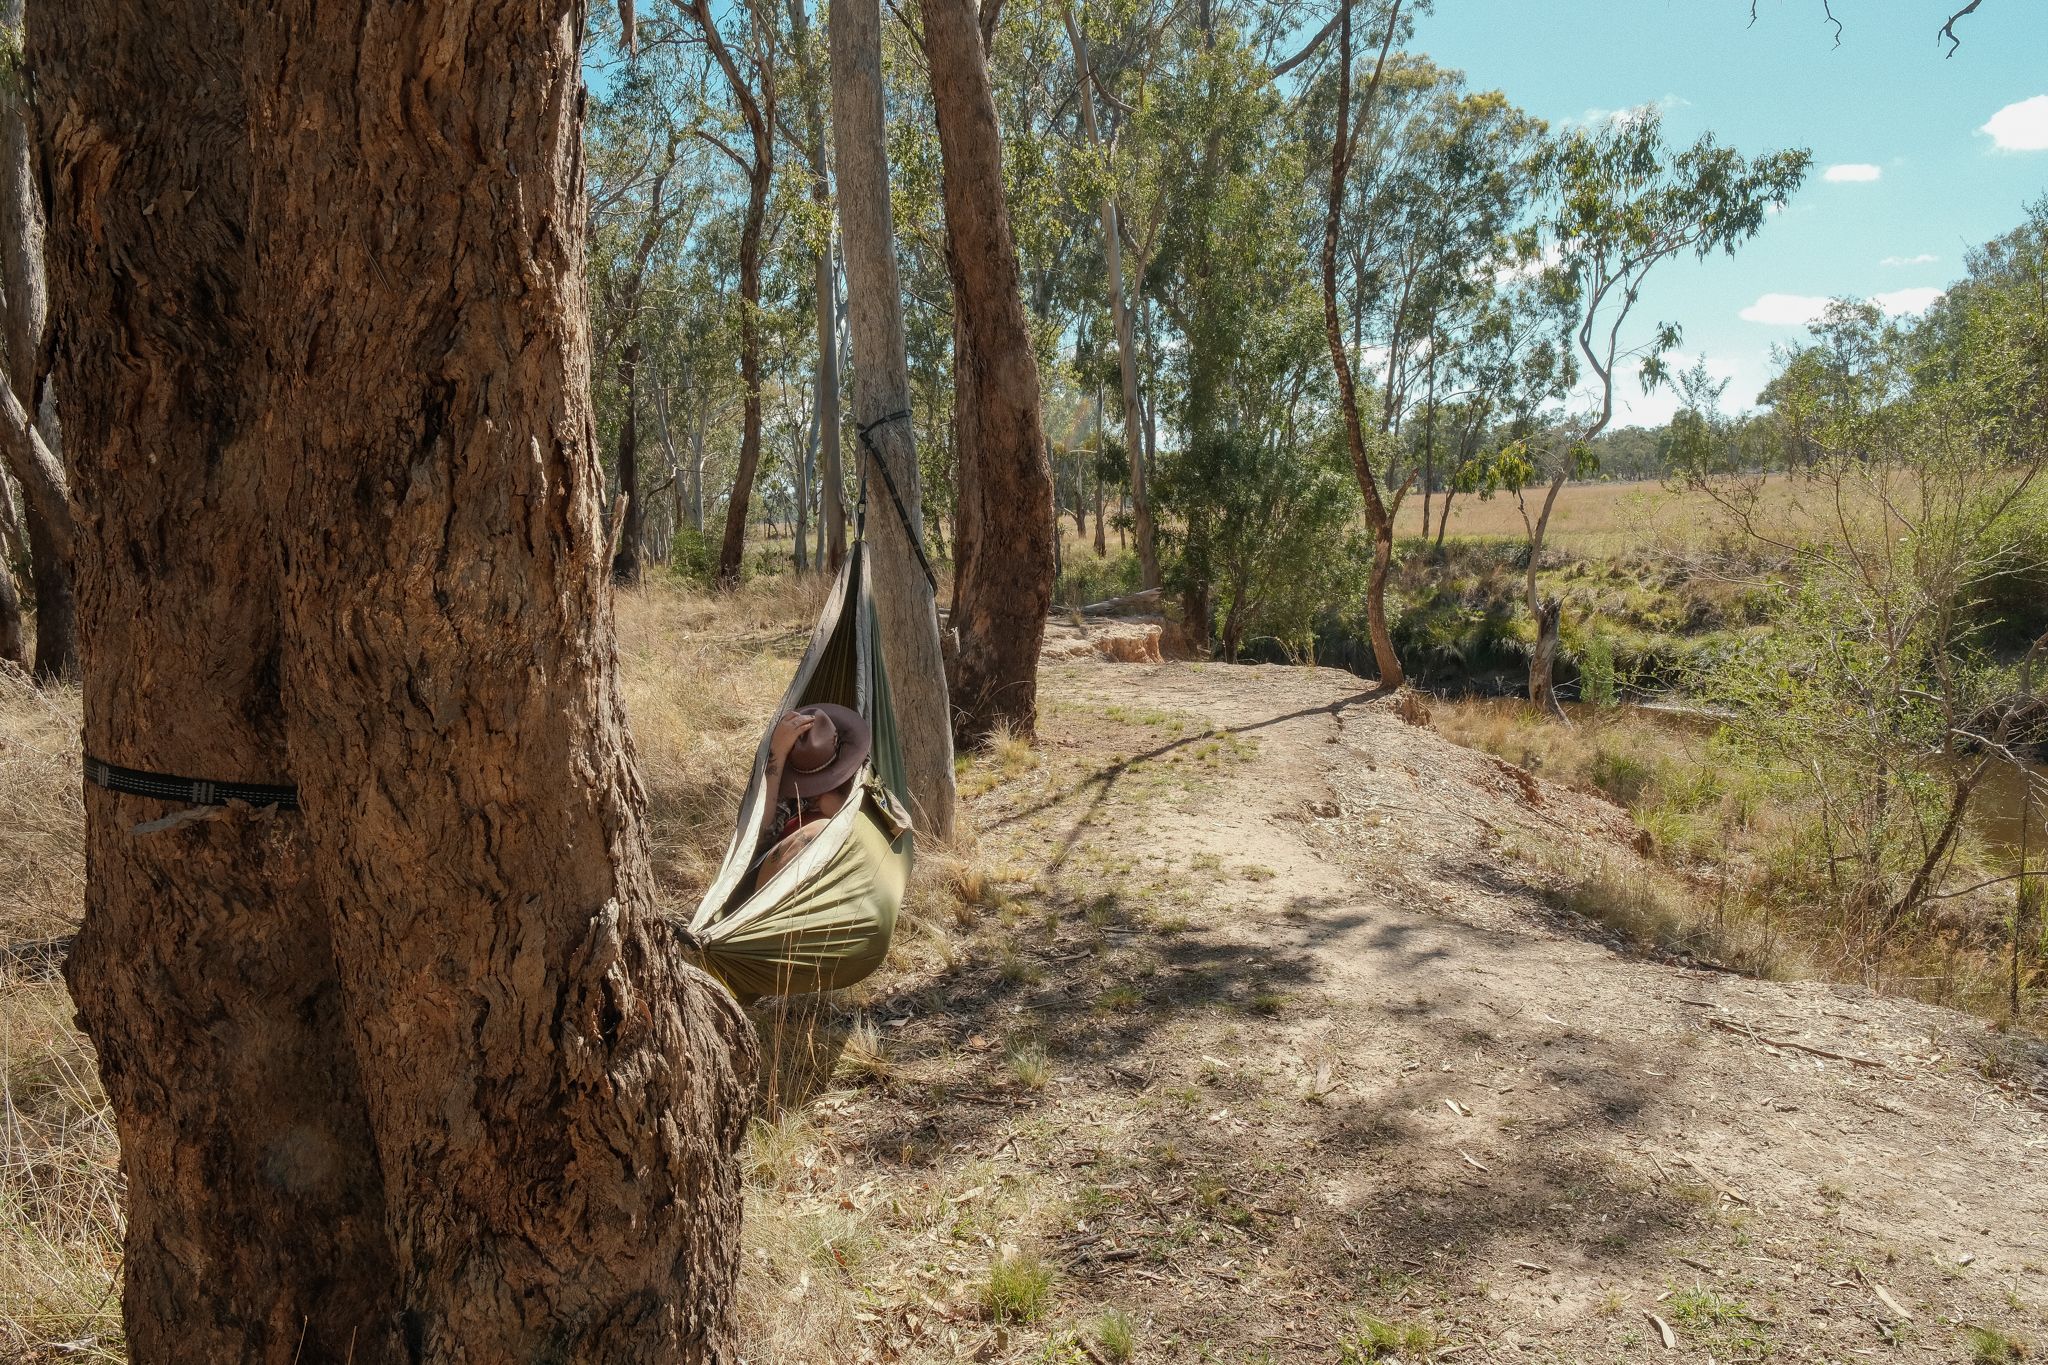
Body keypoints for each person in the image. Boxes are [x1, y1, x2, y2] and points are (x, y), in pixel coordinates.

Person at [753, 702, 871, 884]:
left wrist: (838, 807)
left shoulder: (859, 781)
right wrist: (778, 753)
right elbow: (760, 839)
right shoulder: (789, 798)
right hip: (784, 880)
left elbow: (871, 837)